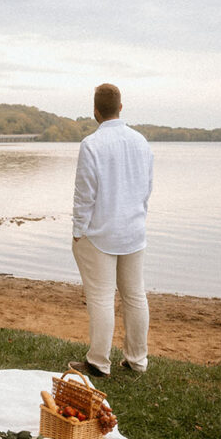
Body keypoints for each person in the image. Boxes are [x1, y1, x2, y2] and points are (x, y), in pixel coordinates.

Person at [69, 83, 154, 378]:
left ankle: (99, 362)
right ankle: (137, 360)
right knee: (135, 296)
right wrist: (137, 218)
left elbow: (85, 196)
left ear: (95, 111)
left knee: (102, 298)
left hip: (100, 234)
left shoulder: (91, 144)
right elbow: (146, 189)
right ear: (121, 107)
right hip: (133, 232)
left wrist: (78, 230)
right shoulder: (141, 142)